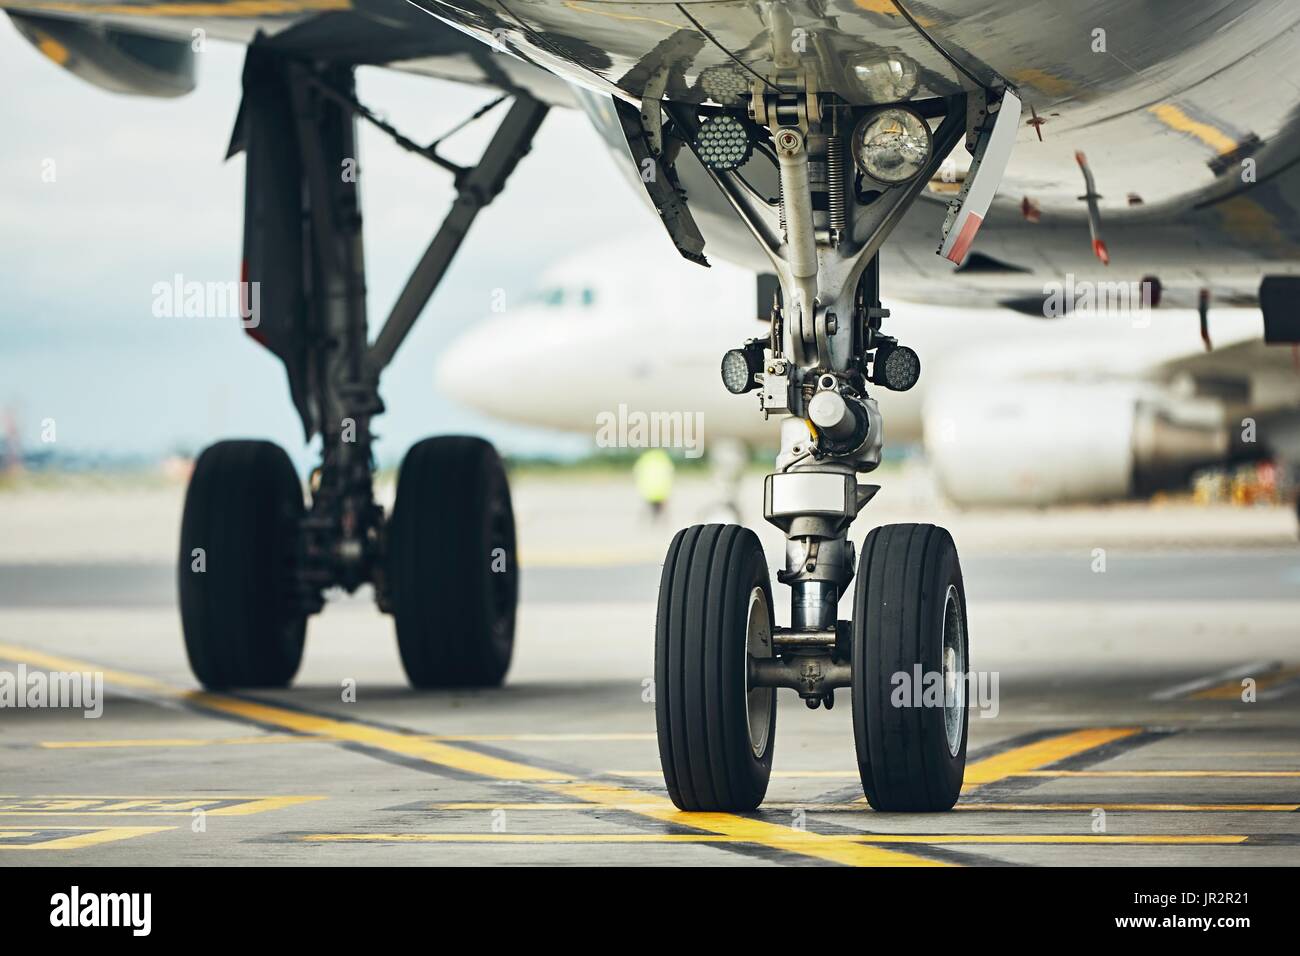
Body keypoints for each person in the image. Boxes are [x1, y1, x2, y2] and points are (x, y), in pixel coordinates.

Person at [633, 448, 674, 521]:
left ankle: (646, 522)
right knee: (662, 509)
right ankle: (662, 522)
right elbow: (670, 473)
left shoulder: (645, 458)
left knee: (649, 509)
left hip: (648, 490)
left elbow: (636, 472)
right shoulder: (663, 458)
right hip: (662, 490)